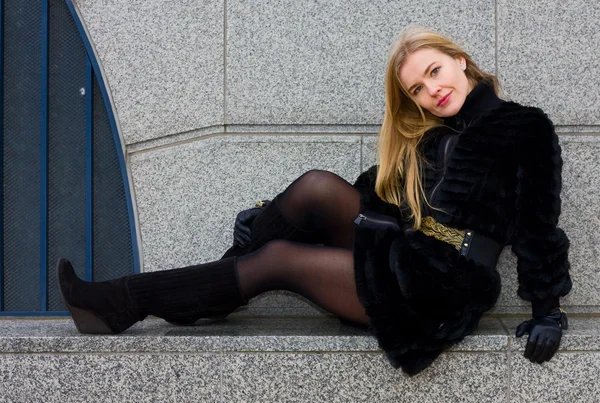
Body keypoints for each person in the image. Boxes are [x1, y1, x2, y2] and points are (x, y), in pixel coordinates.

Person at [56, 26, 572, 376]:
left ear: (460, 62)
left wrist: (547, 311)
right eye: (417, 88)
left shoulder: (522, 127)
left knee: (277, 259)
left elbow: (538, 226)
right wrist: (270, 214)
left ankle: (123, 302)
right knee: (316, 188)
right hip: (409, 256)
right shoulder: (426, 138)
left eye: (435, 71)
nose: (431, 90)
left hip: (444, 289)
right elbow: (373, 197)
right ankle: (214, 286)